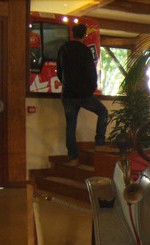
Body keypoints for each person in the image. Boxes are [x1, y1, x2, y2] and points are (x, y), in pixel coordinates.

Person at [56, 23, 108, 164]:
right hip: (84, 95)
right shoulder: (85, 51)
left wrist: (67, 84)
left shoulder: (63, 49)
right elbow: (91, 73)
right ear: (84, 35)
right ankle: (100, 142)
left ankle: (73, 157)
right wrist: (90, 89)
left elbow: (59, 72)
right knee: (103, 112)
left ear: (71, 34)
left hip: (68, 94)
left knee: (71, 125)